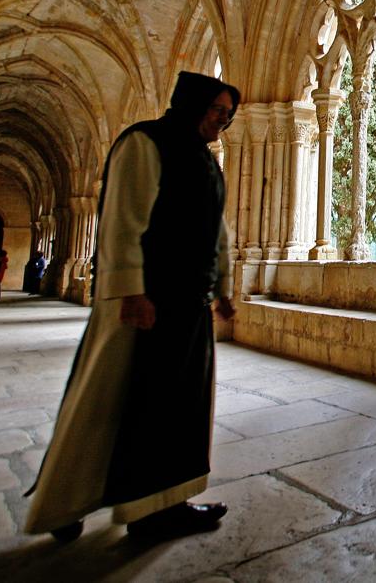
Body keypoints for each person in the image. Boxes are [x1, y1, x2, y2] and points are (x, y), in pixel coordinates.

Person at [24, 71, 239, 543]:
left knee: (177, 409)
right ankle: (70, 501)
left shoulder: (207, 163)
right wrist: (130, 290)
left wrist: (222, 288)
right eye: (215, 111)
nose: (221, 122)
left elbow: (216, 231)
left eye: (227, 115)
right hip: (146, 302)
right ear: (190, 104)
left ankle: (161, 504)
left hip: (188, 303)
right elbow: (123, 219)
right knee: (108, 403)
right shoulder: (145, 143)